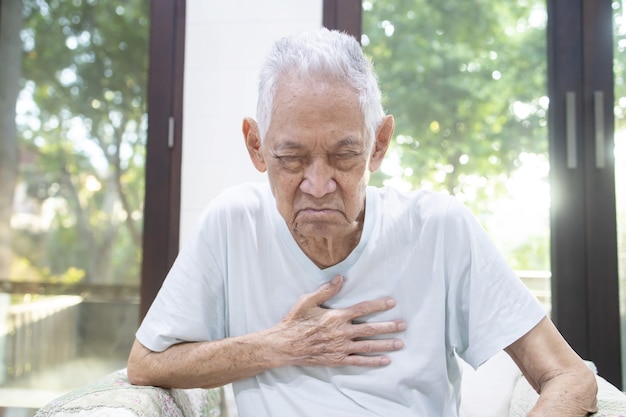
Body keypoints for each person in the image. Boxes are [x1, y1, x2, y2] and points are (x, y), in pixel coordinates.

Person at [128, 28, 597, 416]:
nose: (317, 184)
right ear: (256, 146)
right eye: (291, 158)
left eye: (343, 155)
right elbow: (146, 364)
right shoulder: (232, 224)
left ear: (379, 143)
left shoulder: (440, 229)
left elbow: (569, 376)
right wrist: (281, 345)